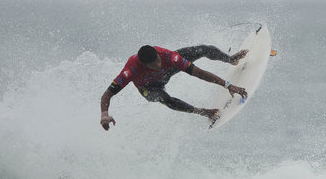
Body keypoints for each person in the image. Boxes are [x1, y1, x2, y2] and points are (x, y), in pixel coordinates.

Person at [100, 44, 248, 131]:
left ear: (158, 55)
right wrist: (104, 114)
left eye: (158, 60)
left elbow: (198, 73)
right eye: (153, 65)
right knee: (165, 99)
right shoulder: (130, 71)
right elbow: (107, 94)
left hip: (167, 72)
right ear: (144, 65)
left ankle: (231, 59)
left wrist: (227, 85)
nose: (158, 65)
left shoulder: (168, 56)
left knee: (202, 49)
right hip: (149, 88)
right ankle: (203, 112)